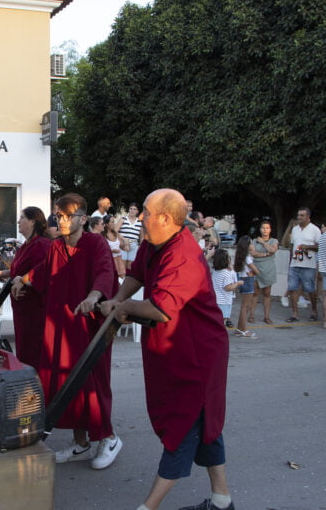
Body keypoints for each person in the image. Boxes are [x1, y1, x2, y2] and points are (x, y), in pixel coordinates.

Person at [100, 189, 234, 510]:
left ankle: (148, 507)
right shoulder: (153, 243)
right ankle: (221, 500)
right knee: (206, 427)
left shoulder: (183, 255)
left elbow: (161, 309)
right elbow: (136, 274)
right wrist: (119, 300)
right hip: (172, 348)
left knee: (183, 425)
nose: (141, 216)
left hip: (197, 354)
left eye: (145, 211)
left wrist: (123, 307)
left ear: (165, 218)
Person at [11, 193, 121, 470]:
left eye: (68, 215)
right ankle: (80, 443)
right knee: (66, 384)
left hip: (89, 326)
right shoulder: (54, 247)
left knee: (92, 384)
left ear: (83, 219)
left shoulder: (95, 243)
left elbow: (105, 273)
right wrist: (21, 279)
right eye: (58, 215)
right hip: (60, 325)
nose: (61, 220)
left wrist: (94, 296)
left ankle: (108, 438)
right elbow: (42, 271)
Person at [0, 207, 51, 368]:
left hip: (35, 310)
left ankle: (36, 388)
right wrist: (1, 272)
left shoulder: (42, 245)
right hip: (23, 311)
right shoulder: (26, 245)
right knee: (24, 352)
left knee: (33, 353)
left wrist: (23, 280)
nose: (18, 221)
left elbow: (42, 273)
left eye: (22, 218)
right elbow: (19, 270)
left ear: (32, 221)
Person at [286, 207, 319, 323]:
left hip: (308, 265)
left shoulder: (315, 229)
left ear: (308, 217)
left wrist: (308, 246)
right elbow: (291, 246)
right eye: (298, 215)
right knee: (293, 288)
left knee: (310, 289)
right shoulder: (295, 229)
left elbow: (319, 246)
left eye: (302, 215)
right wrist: (290, 262)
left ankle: (314, 311)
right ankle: (295, 314)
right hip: (294, 264)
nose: (299, 217)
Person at [248, 220, 279, 324]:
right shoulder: (253, 241)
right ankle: (251, 315)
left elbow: (273, 250)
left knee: (267, 293)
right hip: (256, 268)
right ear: (260, 229)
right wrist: (265, 254)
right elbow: (252, 253)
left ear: (270, 230)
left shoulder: (274, 241)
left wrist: (262, 243)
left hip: (268, 269)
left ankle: (266, 316)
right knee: (255, 293)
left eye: (267, 228)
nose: (265, 230)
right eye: (263, 228)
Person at [233, 236, 259, 339]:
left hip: (244, 279)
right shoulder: (247, 258)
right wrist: (253, 272)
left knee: (245, 306)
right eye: (251, 243)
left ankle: (239, 329)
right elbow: (256, 271)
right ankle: (244, 329)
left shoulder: (242, 256)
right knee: (245, 307)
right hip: (248, 281)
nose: (253, 245)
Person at [211, 249, 241, 328]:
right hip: (223, 301)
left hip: (215, 299)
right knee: (221, 321)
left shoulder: (215, 271)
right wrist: (237, 283)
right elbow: (228, 288)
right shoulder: (226, 274)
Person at [117, 202, 142, 269]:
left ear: (137, 211)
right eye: (130, 208)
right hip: (123, 244)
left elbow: (141, 237)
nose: (132, 210)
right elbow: (115, 231)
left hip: (134, 244)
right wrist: (124, 239)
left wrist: (140, 246)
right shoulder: (123, 219)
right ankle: (121, 279)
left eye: (134, 209)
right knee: (122, 266)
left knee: (130, 267)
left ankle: (127, 279)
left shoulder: (140, 222)